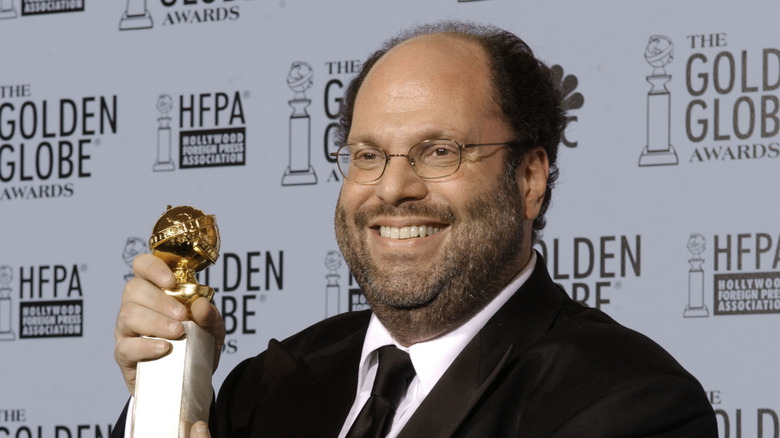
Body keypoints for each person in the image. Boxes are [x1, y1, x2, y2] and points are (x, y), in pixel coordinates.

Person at [112, 21, 718, 437]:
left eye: (438, 151)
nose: (392, 188)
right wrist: (166, 387)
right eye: (367, 155)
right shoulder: (266, 388)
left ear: (530, 178)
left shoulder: (628, 402)